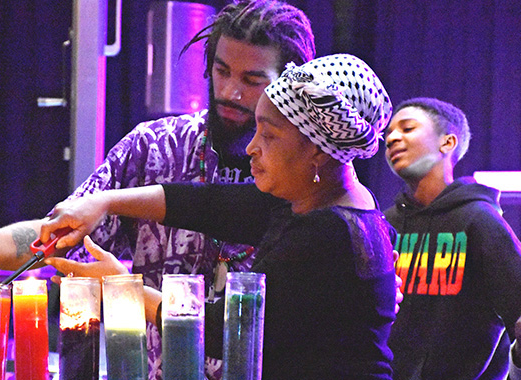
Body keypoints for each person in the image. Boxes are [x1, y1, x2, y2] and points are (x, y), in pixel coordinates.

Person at [0, 1, 316, 378]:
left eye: (252, 81)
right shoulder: (156, 147)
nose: (230, 92)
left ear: (291, 86)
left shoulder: (306, 177)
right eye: (221, 71)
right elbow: (62, 230)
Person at [41, 53, 396, 379]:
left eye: (269, 136)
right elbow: (209, 204)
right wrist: (103, 202)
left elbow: (221, 329)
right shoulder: (323, 203)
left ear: (317, 152)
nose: (251, 147)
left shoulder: (326, 232)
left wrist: (123, 287)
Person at [383, 97, 521, 379]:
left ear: (447, 143)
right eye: (388, 134)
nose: (392, 138)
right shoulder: (387, 224)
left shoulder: (480, 220)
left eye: (407, 128)